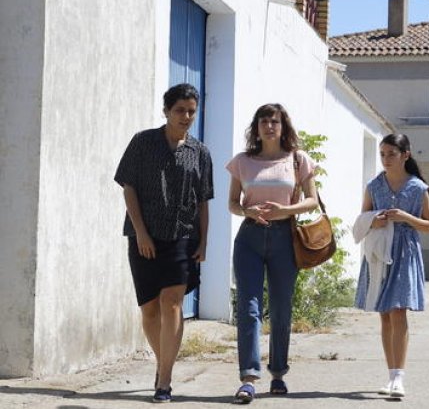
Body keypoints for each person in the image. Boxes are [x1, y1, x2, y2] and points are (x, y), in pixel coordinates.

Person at [115, 83, 213, 404]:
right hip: (144, 236)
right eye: (180, 110)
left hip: (183, 237)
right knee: (149, 311)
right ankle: (163, 363)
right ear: (166, 111)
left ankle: (165, 381)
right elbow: (128, 186)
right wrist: (141, 232)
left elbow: (202, 202)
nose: (186, 117)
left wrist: (204, 241)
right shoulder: (143, 143)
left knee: (172, 303)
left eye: (191, 112)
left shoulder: (200, 152)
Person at [226, 103, 319, 403]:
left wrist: (285, 210)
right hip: (249, 239)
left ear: (283, 127)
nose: (269, 126)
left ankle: (278, 373)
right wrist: (245, 209)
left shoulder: (297, 159)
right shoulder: (242, 161)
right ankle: (249, 378)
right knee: (248, 309)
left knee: (281, 308)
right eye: (264, 121)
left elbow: (312, 201)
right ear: (256, 127)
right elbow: (232, 202)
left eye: (275, 121)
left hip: (284, 238)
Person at [353, 133, 429, 398]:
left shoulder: (418, 188)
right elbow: (362, 217)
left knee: (399, 311)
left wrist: (405, 217)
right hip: (379, 252)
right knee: (385, 314)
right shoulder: (374, 185)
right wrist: (374, 220)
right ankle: (390, 375)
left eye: (391, 154)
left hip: (405, 252)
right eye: (382, 154)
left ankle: (399, 377)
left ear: (405, 155)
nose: (386, 159)